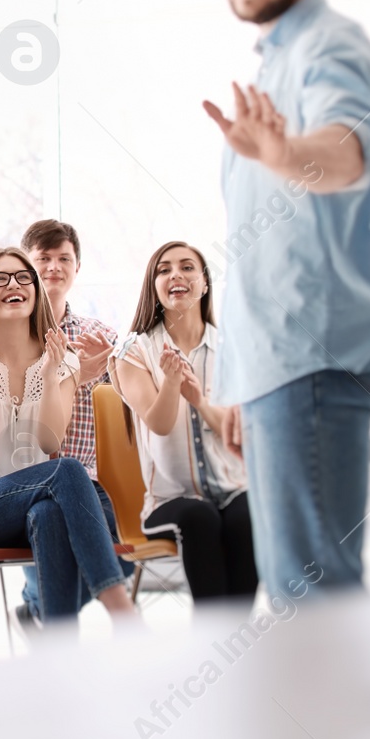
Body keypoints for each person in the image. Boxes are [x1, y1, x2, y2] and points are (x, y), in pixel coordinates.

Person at [203, 0, 370, 597]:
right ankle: (331, 707)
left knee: (314, 590)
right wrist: (239, 377)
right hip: (279, 365)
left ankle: (341, 711)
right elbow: (269, 247)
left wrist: (288, 155)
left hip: (313, 357)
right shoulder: (275, 61)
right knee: (300, 585)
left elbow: (346, 149)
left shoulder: (330, 46)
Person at [0, 247, 137, 625]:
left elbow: (47, 442)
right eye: (1, 278)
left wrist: (50, 373)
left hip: (30, 503)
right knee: (67, 471)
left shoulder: (61, 357)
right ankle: (120, 608)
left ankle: (58, 649)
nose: (14, 284)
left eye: (24, 277)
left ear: (37, 291)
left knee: (49, 513)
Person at [112, 241, 256, 603]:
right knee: (201, 516)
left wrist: (200, 402)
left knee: (247, 514)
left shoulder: (232, 349)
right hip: (168, 499)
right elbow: (158, 423)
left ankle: (237, 638)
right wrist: (173, 382)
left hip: (232, 486)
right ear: (154, 287)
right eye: (164, 270)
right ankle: (213, 636)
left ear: (205, 283)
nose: (176, 274)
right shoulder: (135, 350)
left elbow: (241, 431)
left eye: (187, 267)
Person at [16, 219, 129, 625]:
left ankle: (39, 611)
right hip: (25, 481)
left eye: (64, 258)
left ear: (77, 268)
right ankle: (42, 607)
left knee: (124, 553)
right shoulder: (8, 336)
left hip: (91, 481)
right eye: (43, 258)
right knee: (47, 520)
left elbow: (132, 415)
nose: (54, 267)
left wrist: (113, 370)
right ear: (25, 267)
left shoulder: (100, 335)